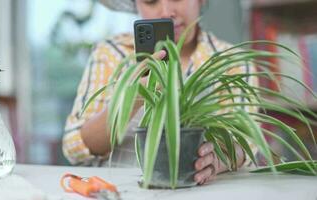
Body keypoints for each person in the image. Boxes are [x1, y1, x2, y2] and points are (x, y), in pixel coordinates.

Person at [63, 0, 257, 185]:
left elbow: (247, 146)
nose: (166, 12)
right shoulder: (111, 53)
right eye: (150, 1)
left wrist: (218, 160)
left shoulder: (231, 62)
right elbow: (74, 146)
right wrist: (134, 97)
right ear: (136, 4)